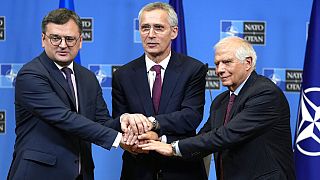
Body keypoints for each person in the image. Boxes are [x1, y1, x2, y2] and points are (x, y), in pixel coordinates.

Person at [7, 8, 148, 180]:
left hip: (81, 174)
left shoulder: (87, 77)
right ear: (43, 39)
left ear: (80, 41)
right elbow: (64, 118)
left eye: (70, 39)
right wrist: (119, 139)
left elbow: (102, 121)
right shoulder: (31, 74)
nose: (63, 44)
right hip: (39, 174)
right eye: (55, 38)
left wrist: (123, 121)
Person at [140, 36, 296, 180]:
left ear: (248, 63)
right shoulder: (221, 101)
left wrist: (173, 148)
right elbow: (204, 137)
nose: (219, 70)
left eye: (227, 62)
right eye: (217, 64)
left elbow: (227, 135)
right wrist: (161, 139)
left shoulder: (265, 93)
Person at [112, 2, 208, 180]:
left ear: (174, 32)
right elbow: (118, 121)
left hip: (181, 171)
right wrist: (130, 139)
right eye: (145, 28)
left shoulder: (193, 69)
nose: (150, 35)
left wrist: (152, 125)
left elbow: (191, 116)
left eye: (158, 28)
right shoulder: (123, 75)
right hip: (137, 171)